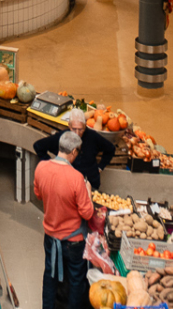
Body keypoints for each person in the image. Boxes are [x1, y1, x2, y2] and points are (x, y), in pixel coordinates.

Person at [32, 131, 97, 309]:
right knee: (76, 281)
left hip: (50, 237)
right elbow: (87, 213)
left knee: (50, 275)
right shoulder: (77, 178)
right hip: (73, 242)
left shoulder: (41, 168)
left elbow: (38, 194)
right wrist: (88, 192)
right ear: (74, 151)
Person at [32, 109, 116, 189]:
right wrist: (51, 164)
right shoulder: (63, 137)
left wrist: (100, 167)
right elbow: (38, 146)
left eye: (80, 129)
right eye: (74, 129)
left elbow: (110, 149)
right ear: (69, 126)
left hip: (90, 183)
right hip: (68, 184)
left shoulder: (93, 137)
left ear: (85, 126)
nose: (77, 133)